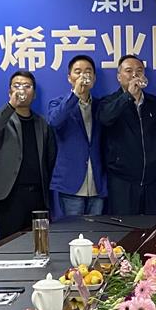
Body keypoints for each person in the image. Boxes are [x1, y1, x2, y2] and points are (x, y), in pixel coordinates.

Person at [0, 71, 57, 239]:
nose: (22, 90)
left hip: (38, 196)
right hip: (10, 195)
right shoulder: (2, 118)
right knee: (8, 243)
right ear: (9, 92)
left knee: (39, 243)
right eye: (17, 86)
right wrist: (11, 105)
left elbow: (50, 158)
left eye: (27, 86)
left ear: (34, 93)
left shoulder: (41, 123)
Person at [98, 55, 156, 215]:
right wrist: (128, 96)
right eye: (128, 71)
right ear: (119, 77)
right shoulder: (108, 102)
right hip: (122, 181)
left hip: (152, 181)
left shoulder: (154, 103)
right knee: (124, 226)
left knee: (151, 225)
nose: (134, 75)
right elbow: (105, 119)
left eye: (139, 71)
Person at [47, 55, 105, 216]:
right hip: (70, 182)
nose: (83, 76)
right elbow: (54, 122)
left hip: (97, 183)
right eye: (78, 72)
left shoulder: (102, 105)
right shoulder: (58, 103)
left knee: (96, 230)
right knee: (73, 230)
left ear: (94, 77)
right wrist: (75, 95)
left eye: (88, 72)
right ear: (69, 78)